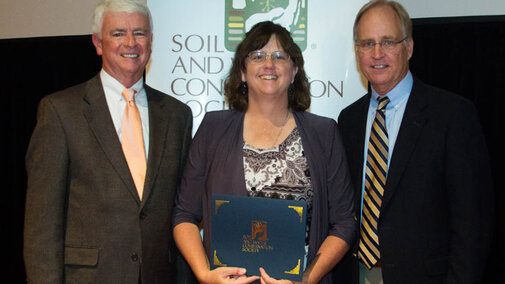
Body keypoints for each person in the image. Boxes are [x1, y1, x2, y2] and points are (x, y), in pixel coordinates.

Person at [173, 21, 356, 284]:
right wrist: (204, 274)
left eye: (279, 56)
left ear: (293, 71)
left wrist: (306, 279)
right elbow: (184, 214)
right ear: (243, 72)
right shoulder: (213, 129)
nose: (268, 64)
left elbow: (344, 222)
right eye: (257, 56)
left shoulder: (324, 133)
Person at [23, 0, 192, 283]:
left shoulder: (177, 115)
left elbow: (181, 211)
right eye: (117, 33)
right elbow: (42, 224)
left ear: (150, 42)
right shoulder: (60, 111)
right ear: (98, 43)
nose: (131, 42)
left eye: (139, 33)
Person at [336, 1, 494, 283]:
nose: (376, 53)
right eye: (367, 43)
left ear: (408, 47)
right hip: (356, 275)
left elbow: (472, 224)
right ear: (357, 52)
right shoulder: (348, 120)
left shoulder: (452, 115)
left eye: (387, 42)